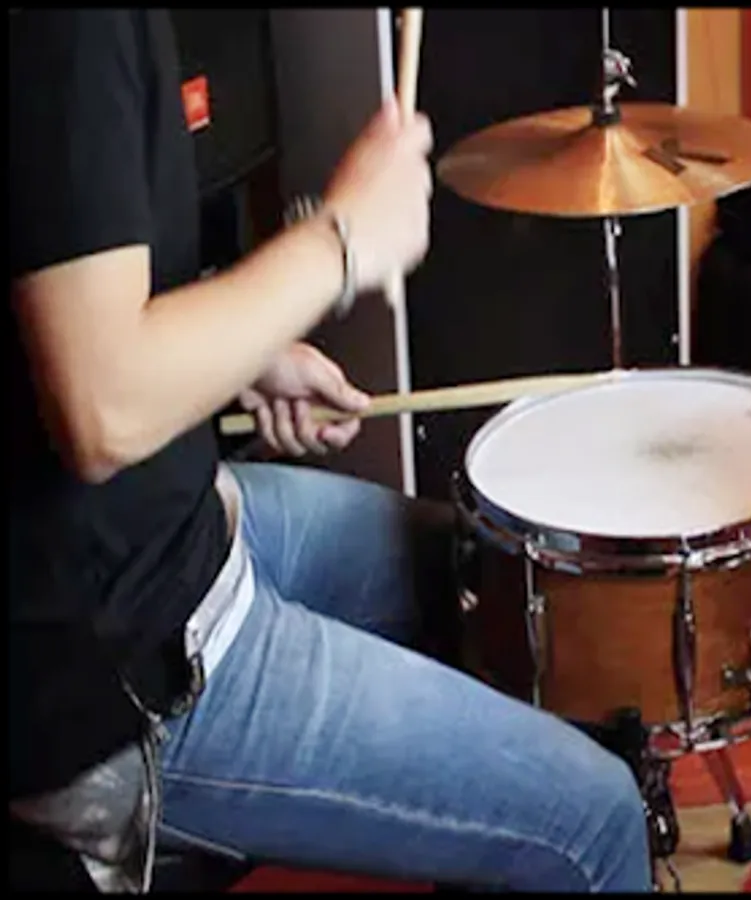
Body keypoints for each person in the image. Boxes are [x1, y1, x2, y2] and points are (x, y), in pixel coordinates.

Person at [7, 9, 652, 893]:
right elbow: (105, 405)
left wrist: (243, 356)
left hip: (183, 530)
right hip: (119, 671)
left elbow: (64, 292)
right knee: (596, 818)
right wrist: (343, 238)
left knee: (495, 581)